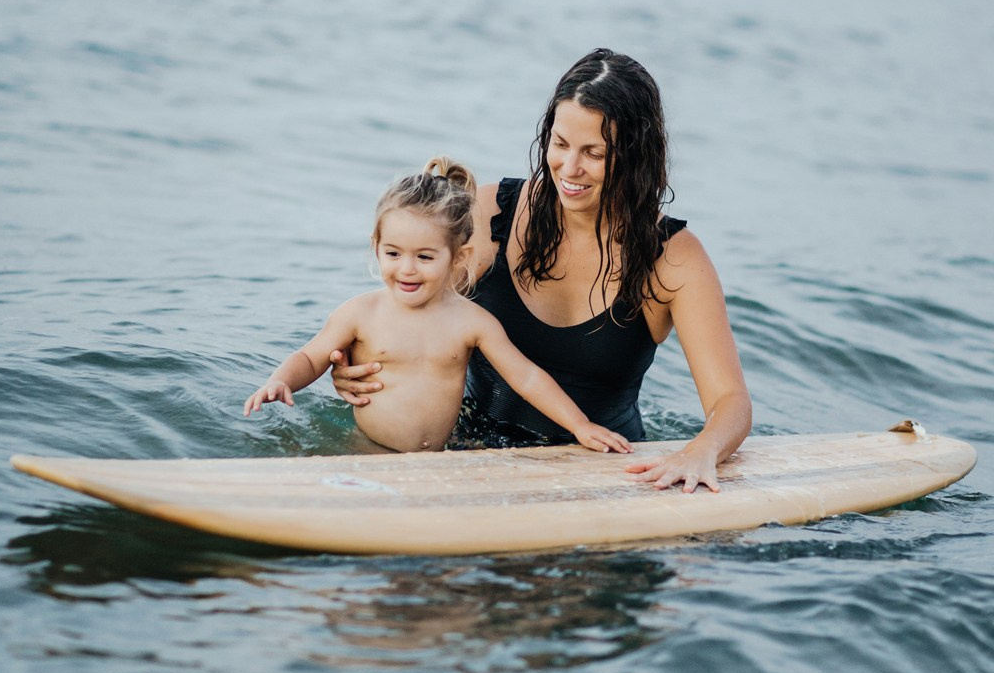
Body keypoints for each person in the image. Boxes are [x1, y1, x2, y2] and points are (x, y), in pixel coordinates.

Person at [330, 51, 752, 492]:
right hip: (468, 452)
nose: (570, 169)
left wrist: (701, 451)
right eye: (561, 144)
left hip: (601, 474)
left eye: (595, 153)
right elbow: (412, 313)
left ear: (635, 156)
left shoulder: (672, 258)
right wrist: (363, 365)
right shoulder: (492, 214)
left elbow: (731, 401)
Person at [243, 157, 631, 457]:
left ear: (458, 257)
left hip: (442, 460)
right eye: (393, 253)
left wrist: (580, 426)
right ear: (375, 246)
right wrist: (280, 380)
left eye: (425, 257)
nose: (406, 269)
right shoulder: (361, 314)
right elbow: (310, 358)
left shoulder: (472, 322)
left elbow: (526, 377)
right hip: (367, 451)